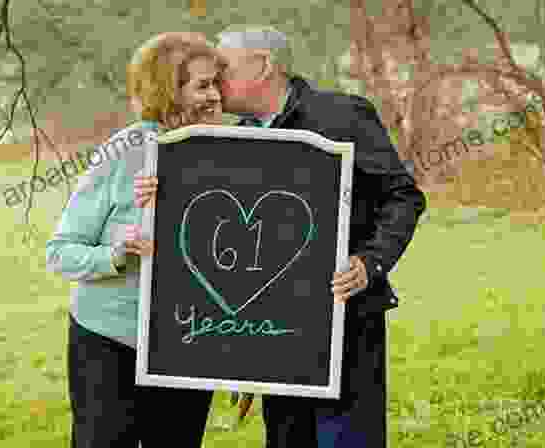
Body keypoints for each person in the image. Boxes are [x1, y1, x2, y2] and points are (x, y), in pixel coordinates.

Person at [133, 25, 428, 448]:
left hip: (347, 318)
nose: (216, 86)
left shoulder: (341, 115)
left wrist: (370, 263)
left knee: (347, 439)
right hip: (275, 332)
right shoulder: (239, 134)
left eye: (223, 72)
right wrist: (243, 357)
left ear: (264, 65)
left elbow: (403, 196)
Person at [46, 32, 226, 448]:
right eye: (202, 85)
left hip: (189, 342)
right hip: (110, 339)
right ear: (167, 89)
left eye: (217, 83)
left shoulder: (230, 153)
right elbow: (60, 252)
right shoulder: (124, 151)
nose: (215, 96)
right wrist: (116, 253)